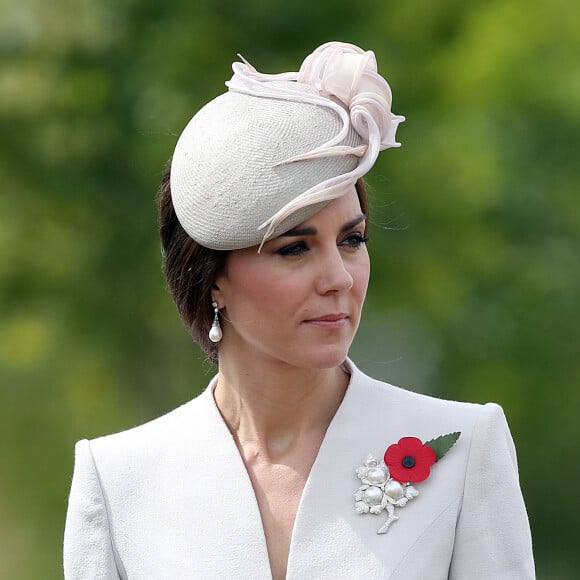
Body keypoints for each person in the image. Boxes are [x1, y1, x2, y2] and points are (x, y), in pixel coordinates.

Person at [64, 42, 535, 579]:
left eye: (352, 240)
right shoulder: (119, 480)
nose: (338, 278)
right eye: (294, 248)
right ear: (212, 275)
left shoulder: (463, 449)